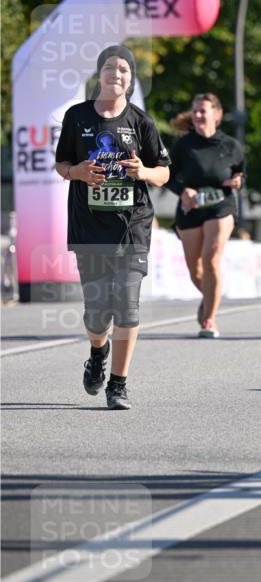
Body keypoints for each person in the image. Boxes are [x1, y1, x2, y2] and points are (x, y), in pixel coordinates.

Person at [54, 45, 171, 409]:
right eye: (109, 67)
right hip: (89, 228)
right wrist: (77, 173)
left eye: (123, 69)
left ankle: (118, 384)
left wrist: (144, 172)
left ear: (130, 79)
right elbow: (62, 165)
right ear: (99, 75)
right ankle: (97, 351)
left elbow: (164, 172)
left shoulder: (141, 122)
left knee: (128, 307)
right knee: (96, 312)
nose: (115, 74)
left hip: (132, 227)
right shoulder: (77, 117)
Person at [167, 93, 244, 338]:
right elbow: (167, 175)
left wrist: (238, 180)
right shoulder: (183, 144)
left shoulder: (231, 145)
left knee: (211, 258)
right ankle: (209, 297)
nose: (199, 115)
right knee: (195, 269)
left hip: (221, 205)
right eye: (196, 111)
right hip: (190, 208)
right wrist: (182, 191)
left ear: (217, 115)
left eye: (204, 110)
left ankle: (209, 320)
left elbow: (242, 173)